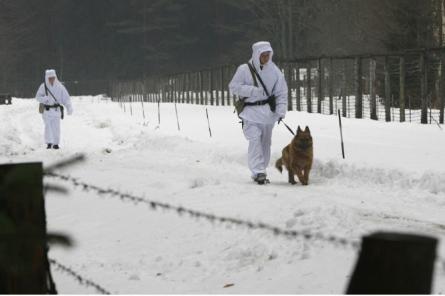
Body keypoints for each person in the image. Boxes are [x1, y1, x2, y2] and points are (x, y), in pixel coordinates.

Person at [229, 41, 288, 185]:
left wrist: (281, 110)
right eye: (263, 55)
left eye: (268, 55)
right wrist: (252, 91)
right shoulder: (244, 70)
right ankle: (258, 171)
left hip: (268, 115)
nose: (266, 58)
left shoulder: (274, 71)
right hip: (250, 112)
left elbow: (281, 92)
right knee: (255, 140)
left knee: (265, 143)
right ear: (256, 55)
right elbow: (234, 87)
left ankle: (261, 169)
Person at [36, 69, 73, 149]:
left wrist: (69, 108)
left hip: (56, 111)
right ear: (47, 78)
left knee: (56, 127)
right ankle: (49, 143)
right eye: (49, 78)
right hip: (46, 111)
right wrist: (44, 99)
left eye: (52, 77)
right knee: (48, 127)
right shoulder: (43, 86)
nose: (51, 79)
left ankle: (56, 143)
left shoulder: (60, 87)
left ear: (55, 77)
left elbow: (66, 98)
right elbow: (38, 97)